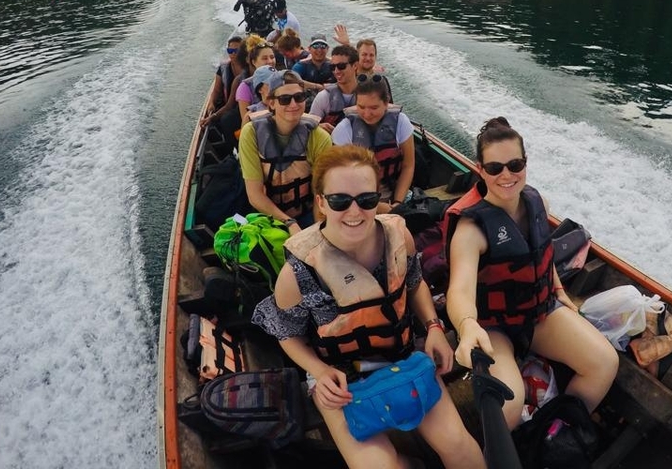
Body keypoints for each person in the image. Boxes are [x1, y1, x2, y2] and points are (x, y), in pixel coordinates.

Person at [251, 146, 485, 469]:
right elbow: (287, 334)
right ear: (320, 202)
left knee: (459, 446)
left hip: (403, 359)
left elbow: (414, 283)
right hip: (343, 381)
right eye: (339, 201)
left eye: (366, 200)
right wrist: (319, 372)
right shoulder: (297, 274)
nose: (354, 212)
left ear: (378, 198)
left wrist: (433, 327)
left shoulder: (399, 237)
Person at [445, 117, 618, 429]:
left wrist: (560, 292)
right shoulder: (471, 230)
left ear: (525, 162)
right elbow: (459, 289)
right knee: (508, 407)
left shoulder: (539, 202)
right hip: (493, 327)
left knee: (604, 363)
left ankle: (556, 433)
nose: (506, 175)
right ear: (480, 169)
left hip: (539, 314)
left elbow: (541, 253)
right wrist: (467, 325)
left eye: (515, 164)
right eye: (495, 168)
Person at [239, 70, 333, 233]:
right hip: (265, 215)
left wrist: (316, 231)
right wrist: (288, 223)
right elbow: (255, 194)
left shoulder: (319, 137)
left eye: (299, 97)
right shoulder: (251, 133)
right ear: (271, 103)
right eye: (284, 99)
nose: (293, 104)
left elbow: (321, 191)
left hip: (307, 213)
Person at [331, 75, 414, 213]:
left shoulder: (401, 122)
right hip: (356, 198)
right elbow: (338, 178)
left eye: (374, 107)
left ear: (386, 103)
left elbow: (408, 165)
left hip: (392, 193)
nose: (367, 113)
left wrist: (397, 203)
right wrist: (377, 207)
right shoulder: (345, 129)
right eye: (361, 106)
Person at [309, 45, 360, 133]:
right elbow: (310, 125)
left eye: (341, 66)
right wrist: (319, 126)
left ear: (355, 65)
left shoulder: (368, 95)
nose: (336, 71)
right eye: (333, 67)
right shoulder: (323, 97)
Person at [200, 36, 245, 134]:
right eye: (230, 50)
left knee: (226, 120)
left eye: (236, 50)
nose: (233, 53)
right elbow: (216, 90)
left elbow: (230, 104)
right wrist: (212, 102)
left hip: (243, 105)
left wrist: (213, 117)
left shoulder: (248, 68)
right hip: (228, 105)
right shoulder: (223, 68)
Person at [234, 37, 278, 125]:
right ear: (253, 62)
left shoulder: (282, 78)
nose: (270, 61)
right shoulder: (245, 87)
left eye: (272, 57)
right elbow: (246, 123)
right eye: (265, 58)